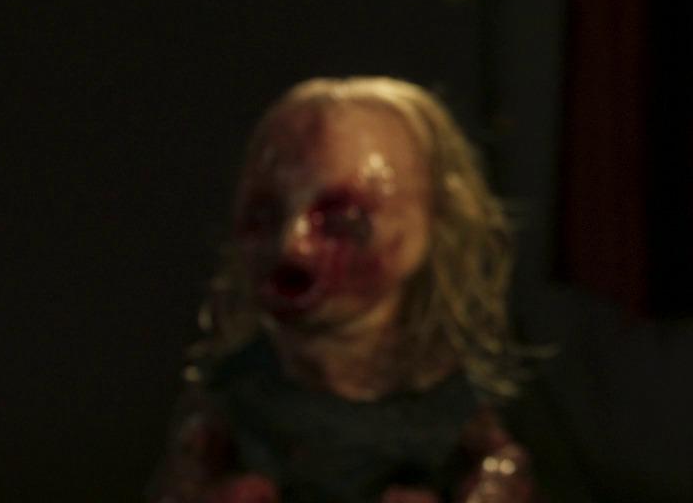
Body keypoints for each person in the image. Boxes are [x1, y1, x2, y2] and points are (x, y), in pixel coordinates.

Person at [152, 77, 534, 503]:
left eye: (342, 222)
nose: (291, 245)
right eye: (263, 216)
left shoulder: (450, 397)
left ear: (437, 219)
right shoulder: (237, 392)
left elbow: (501, 466)